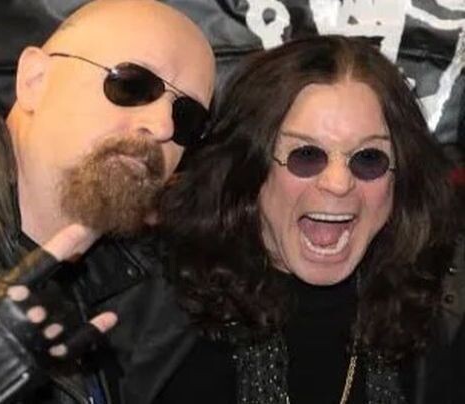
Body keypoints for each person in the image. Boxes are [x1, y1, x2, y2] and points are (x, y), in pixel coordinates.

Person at [0, 0, 215, 403]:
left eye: (187, 118)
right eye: (132, 85)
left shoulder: (141, 289)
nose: (162, 126)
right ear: (34, 80)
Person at [157, 35, 460, 404]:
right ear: (249, 169)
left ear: (401, 179)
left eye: (368, 158)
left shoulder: (436, 322)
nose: (338, 183)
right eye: (306, 155)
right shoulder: (153, 322)